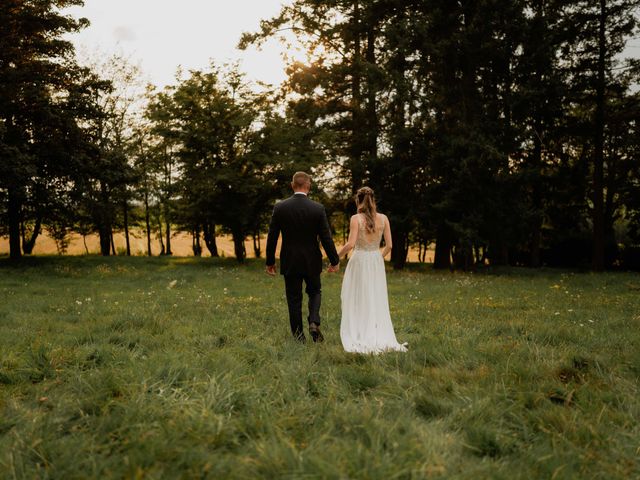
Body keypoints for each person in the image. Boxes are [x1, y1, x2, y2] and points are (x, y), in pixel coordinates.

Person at [266, 172, 340, 342]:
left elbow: (272, 237)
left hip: (290, 260)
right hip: (312, 260)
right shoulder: (318, 208)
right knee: (315, 291)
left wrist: (270, 262)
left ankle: (299, 338)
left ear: (293, 185)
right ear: (308, 186)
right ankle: (314, 321)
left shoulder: (280, 207)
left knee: (294, 299)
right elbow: (326, 237)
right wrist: (334, 260)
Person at [338, 187, 407, 353]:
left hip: (359, 260)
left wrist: (336, 257)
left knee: (357, 297)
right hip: (375, 261)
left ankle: (360, 332)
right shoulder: (384, 218)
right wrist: (377, 257)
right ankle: (376, 332)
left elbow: (351, 244)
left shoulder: (356, 218)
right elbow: (389, 245)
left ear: (358, 200)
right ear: (373, 199)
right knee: (375, 297)